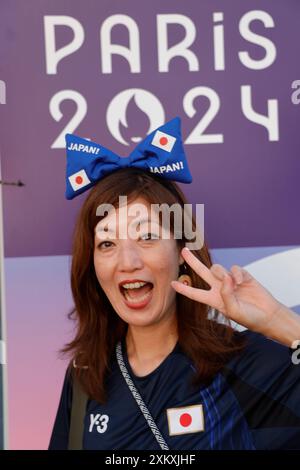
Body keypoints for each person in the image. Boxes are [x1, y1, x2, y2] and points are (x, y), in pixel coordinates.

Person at [48, 118, 300, 450]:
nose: (128, 262)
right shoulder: (85, 376)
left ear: (182, 250)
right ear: (92, 263)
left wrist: (277, 321)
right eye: (107, 244)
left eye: (147, 237)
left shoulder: (245, 364)